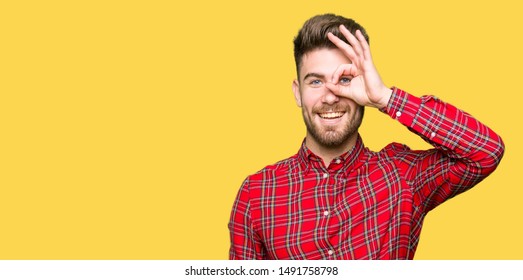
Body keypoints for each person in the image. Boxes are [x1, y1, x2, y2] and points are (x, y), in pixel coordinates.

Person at [228, 14, 504, 260]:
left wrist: (385, 97)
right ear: (298, 92)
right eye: (315, 81)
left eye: (344, 80)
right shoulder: (257, 193)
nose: (330, 96)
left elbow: (485, 151)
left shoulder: (401, 175)